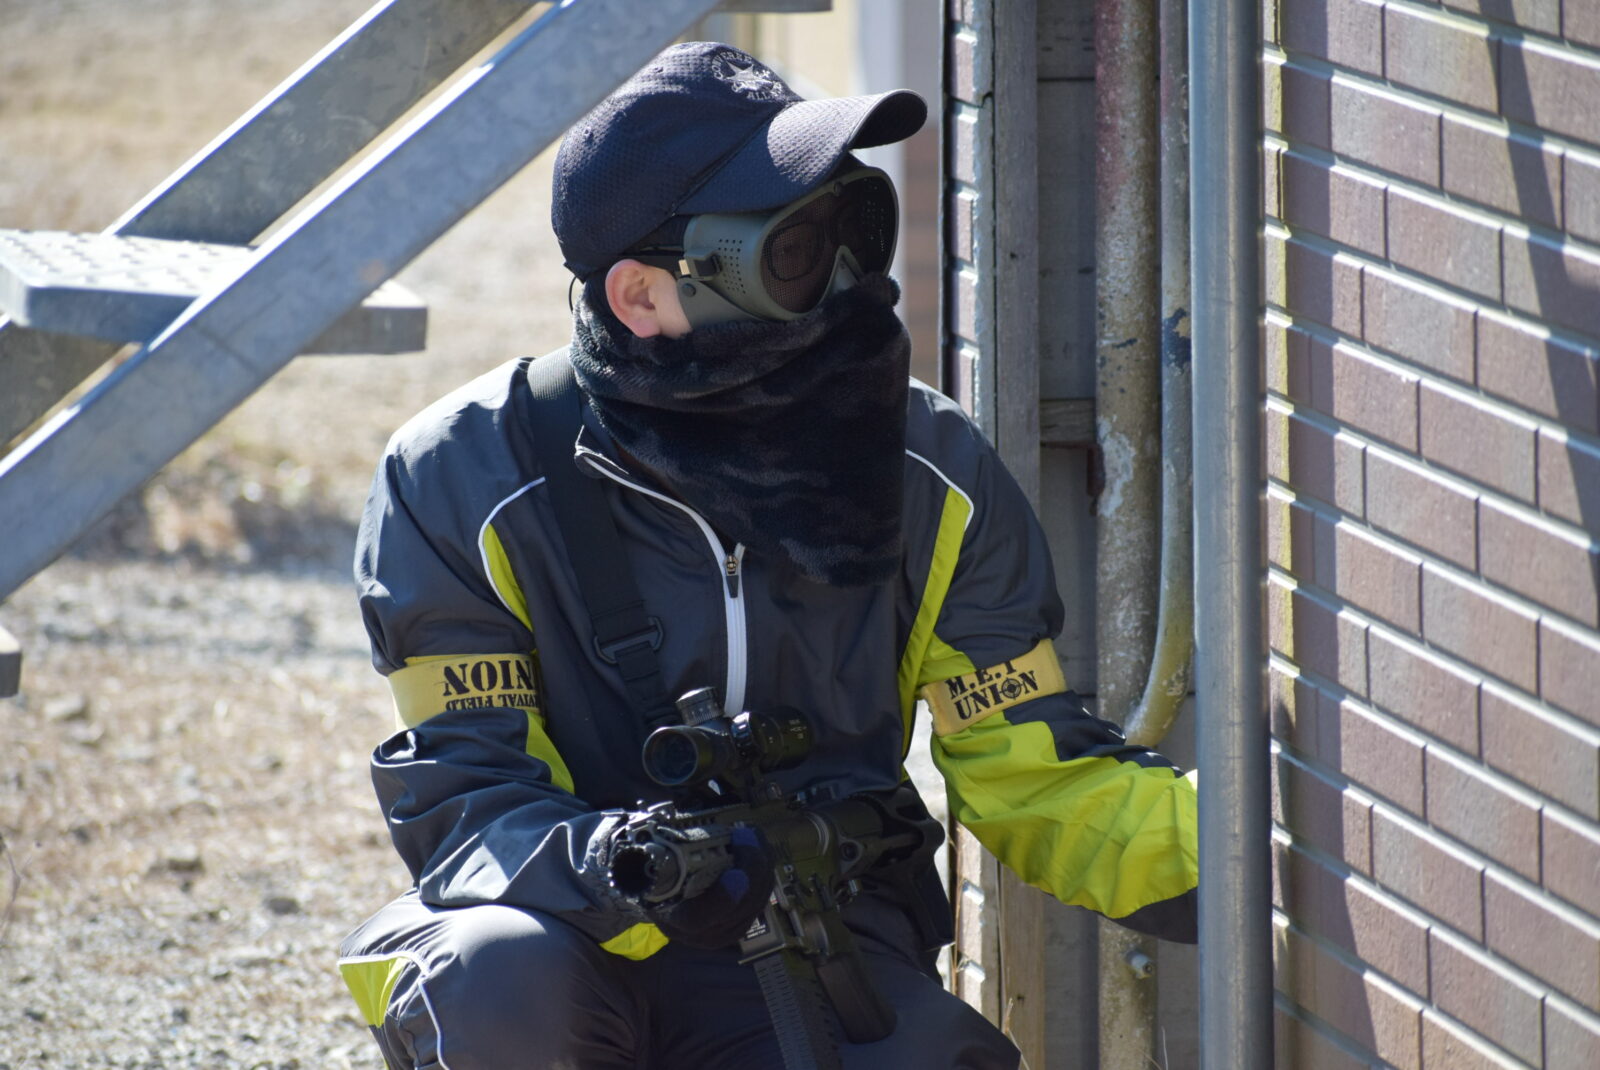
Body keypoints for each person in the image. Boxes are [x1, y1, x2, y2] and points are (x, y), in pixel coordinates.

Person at [336, 42, 1198, 1070]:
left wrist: (1268, 859)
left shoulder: (929, 470)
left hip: (820, 947)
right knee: (497, 978)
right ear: (640, 297)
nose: (843, 284)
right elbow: (467, 798)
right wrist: (627, 868)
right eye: (791, 254)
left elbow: (1038, 774)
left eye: (851, 228)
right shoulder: (463, 474)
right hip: (569, 935)